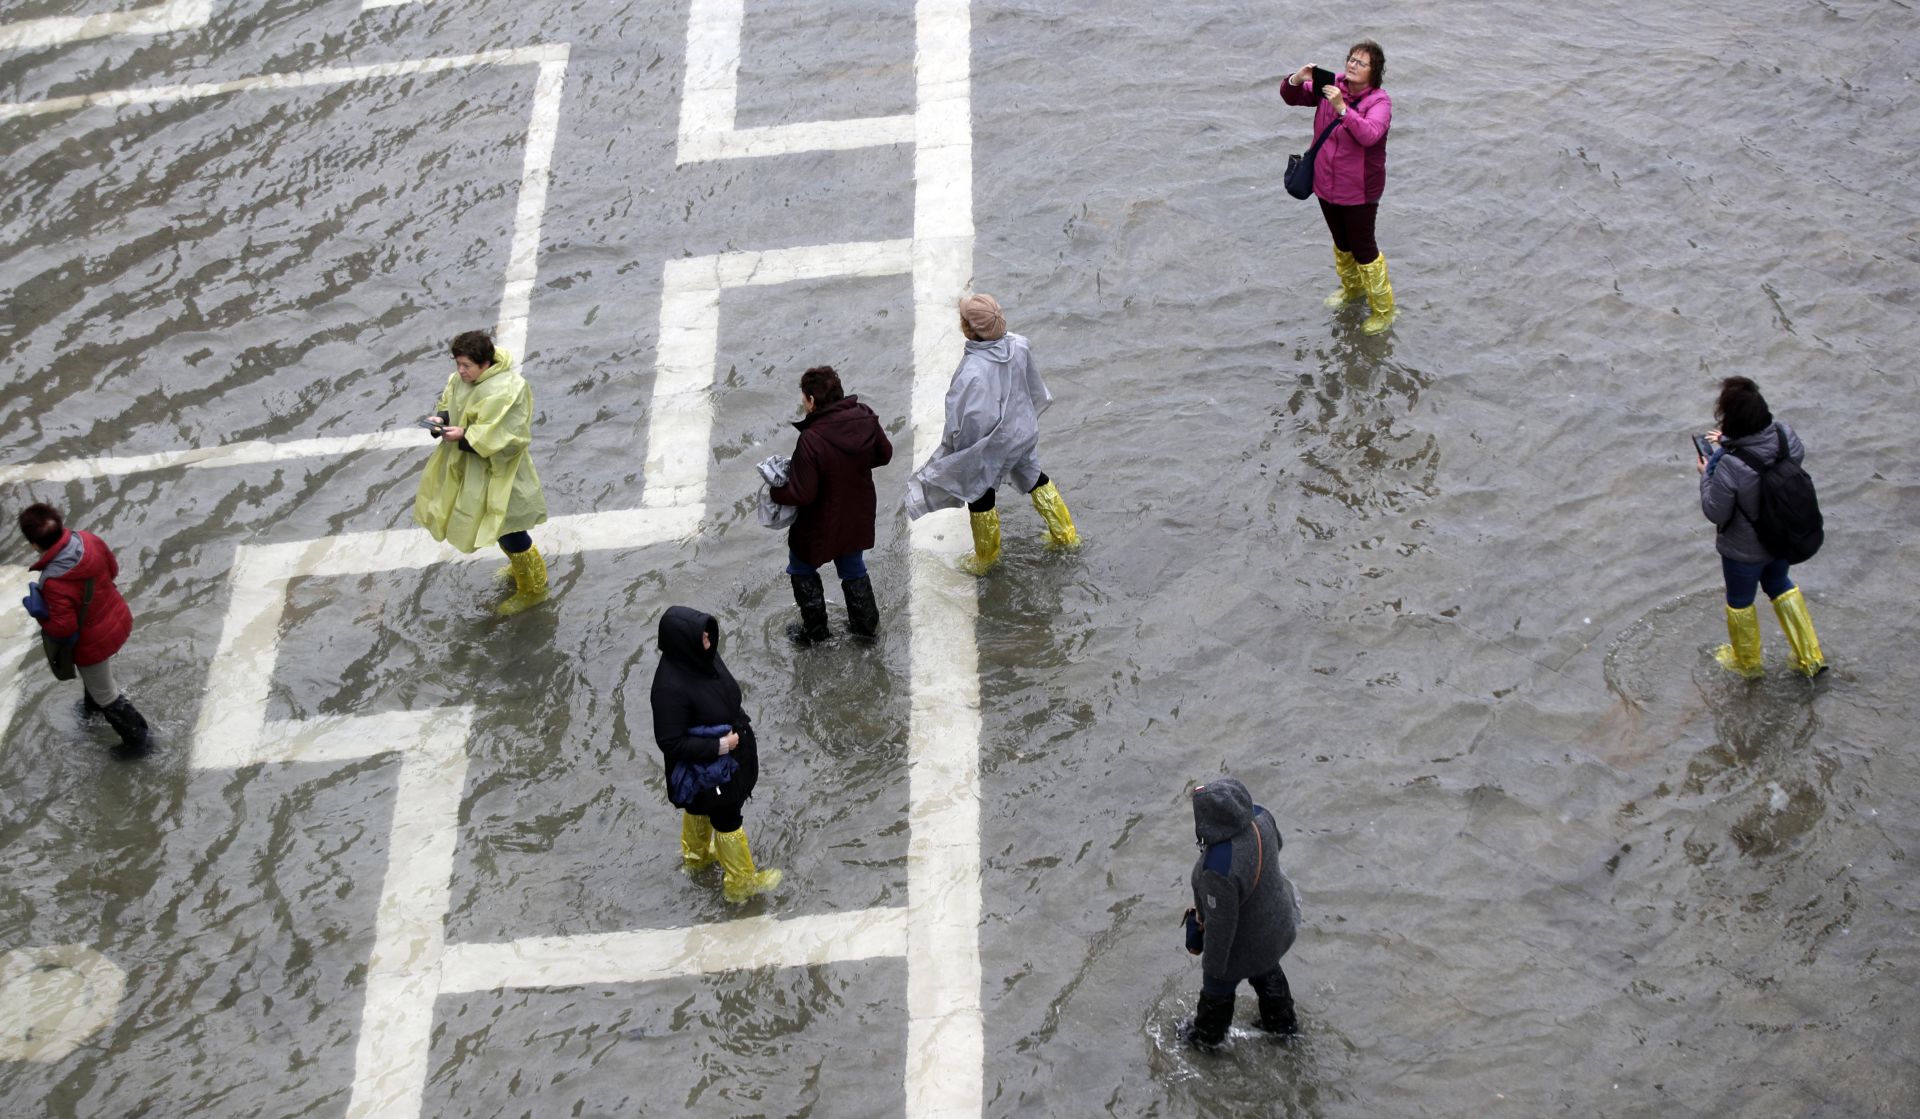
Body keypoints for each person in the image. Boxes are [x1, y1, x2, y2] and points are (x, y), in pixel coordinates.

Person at [905, 293, 1079, 574]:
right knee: (1034, 477)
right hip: (1021, 432)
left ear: (969, 329)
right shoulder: (1019, 345)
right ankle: (1066, 535)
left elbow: (968, 421)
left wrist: (961, 454)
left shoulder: (974, 370)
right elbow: (1033, 388)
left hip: (993, 441)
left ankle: (986, 559)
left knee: (980, 494)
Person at [649, 606, 782, 904]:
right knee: (727, 820)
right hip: (710, 769)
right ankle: (741, 883)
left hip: (720, 760)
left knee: (697, 808)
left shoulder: (701, 659)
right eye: (700, 634)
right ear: (683, 643)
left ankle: (696, 859)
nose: (707, 637)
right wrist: (718, 747)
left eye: (707, 631)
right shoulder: (668, 689)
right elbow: (669, 741)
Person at [413, 330, 551, 615]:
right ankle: (520, 572)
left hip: (502, 472)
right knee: (495, 524)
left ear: (484, 363)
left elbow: (512, 435)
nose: (460, 371)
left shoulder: (510, 388)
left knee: (510, 527)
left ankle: (534, 588)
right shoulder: (460, 380)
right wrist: (442, 418)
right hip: (473, 468)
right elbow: (451, 403)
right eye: (458, 364)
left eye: (466, 366)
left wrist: (466, 434)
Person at [1697, 376, 1826, 678]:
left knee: (1740, 603)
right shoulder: (1785, 436)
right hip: (1782, 538)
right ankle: (1810, 657)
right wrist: (1727, 444)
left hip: (1744, 551)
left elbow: (1715, 511)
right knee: (1780, 585)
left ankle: (1748, 665)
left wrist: (1707, 472)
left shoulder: (1729, 464)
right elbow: (1769, 458)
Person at [769, 365, 894, 644]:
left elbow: (803, 494)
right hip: (856, 515)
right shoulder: (865, 417)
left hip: (819, 523)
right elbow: (884, 454)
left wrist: (774, 493)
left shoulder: (811, 439)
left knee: (801, 567)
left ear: (812, 400)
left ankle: (816, 634)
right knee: (853, 567)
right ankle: (865, 631)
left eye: (804, 397)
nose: (803, 402)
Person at [1281, 40, 1396, 335]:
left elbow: (1370, 135)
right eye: (1351, 59)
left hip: (1360, 189)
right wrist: (1298, 78)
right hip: (1325, 184)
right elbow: (1291, 97)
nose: (1352, 65)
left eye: (1360, 63)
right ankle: (1352, 290)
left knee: (1364, 249)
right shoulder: (1331, 86)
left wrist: (1342, 109)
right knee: (1342, 242)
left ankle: (1384, 311)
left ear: (1375, 71)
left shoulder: (1379, 102)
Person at [18, 504, 150, 758]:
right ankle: (92, 707)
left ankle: (139, 742)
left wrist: (40, 614)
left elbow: (63, 629)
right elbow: (113, 570)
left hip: (93, 642)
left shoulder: (55, 581)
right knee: (97, 682)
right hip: (117, 618)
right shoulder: (88, 540)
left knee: (107, 695)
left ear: (34, 545)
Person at [1182, 777, 1300, 1049]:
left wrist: (1213, 969)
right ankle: (1284, 1028)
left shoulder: (1218, 868)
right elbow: (1278, 846)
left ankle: (1207, 1040)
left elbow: (1222, 929)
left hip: (1247, 941)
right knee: (1268, 971)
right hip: (1278, 923)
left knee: (1217, 991)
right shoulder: (1262, 818)